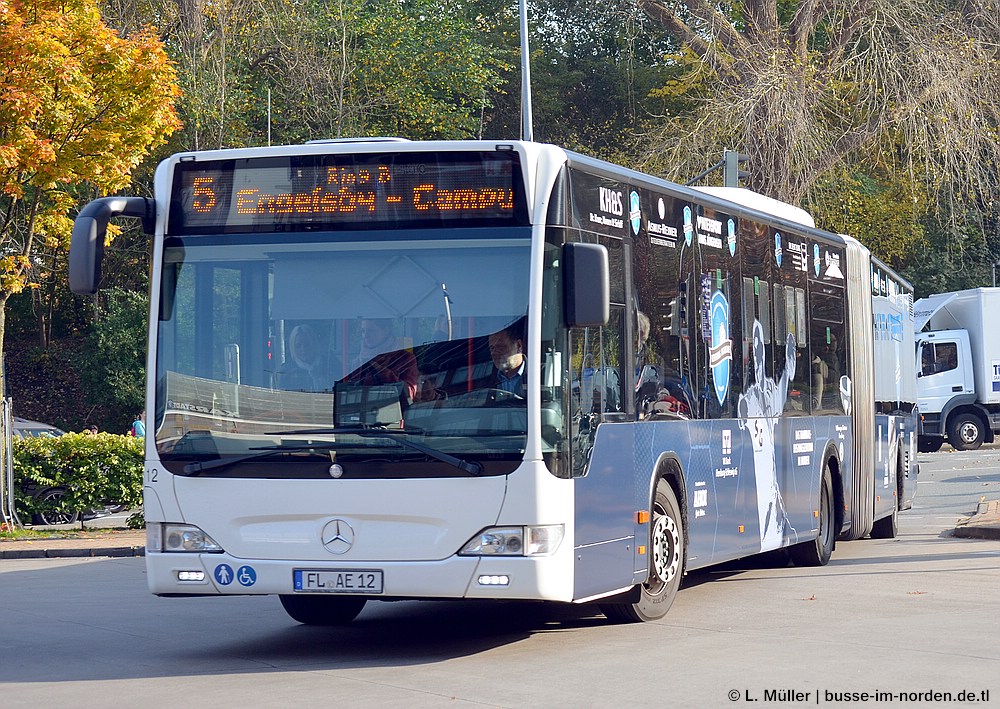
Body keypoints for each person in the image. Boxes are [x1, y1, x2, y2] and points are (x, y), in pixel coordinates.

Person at [345, 318, 419, 401]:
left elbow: (409, 394)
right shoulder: (358, 361)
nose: (365, 336)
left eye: (371, 331)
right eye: (363, 331)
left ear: (386, 330)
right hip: (359, 411)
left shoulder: (404, 358)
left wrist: (382, 372)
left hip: (393, 411)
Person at [278, 324, 328, 391]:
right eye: (298, 346)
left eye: (307, 344)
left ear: (313, 343)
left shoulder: (329, 364)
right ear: (293, 348)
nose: (303, 349)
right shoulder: (287, 372)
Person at [486, 322, 527, 397]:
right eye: (492, 348)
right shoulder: (485, 379)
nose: (494, 353)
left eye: (501, 347)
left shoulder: (540, 376)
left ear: (519, 346)